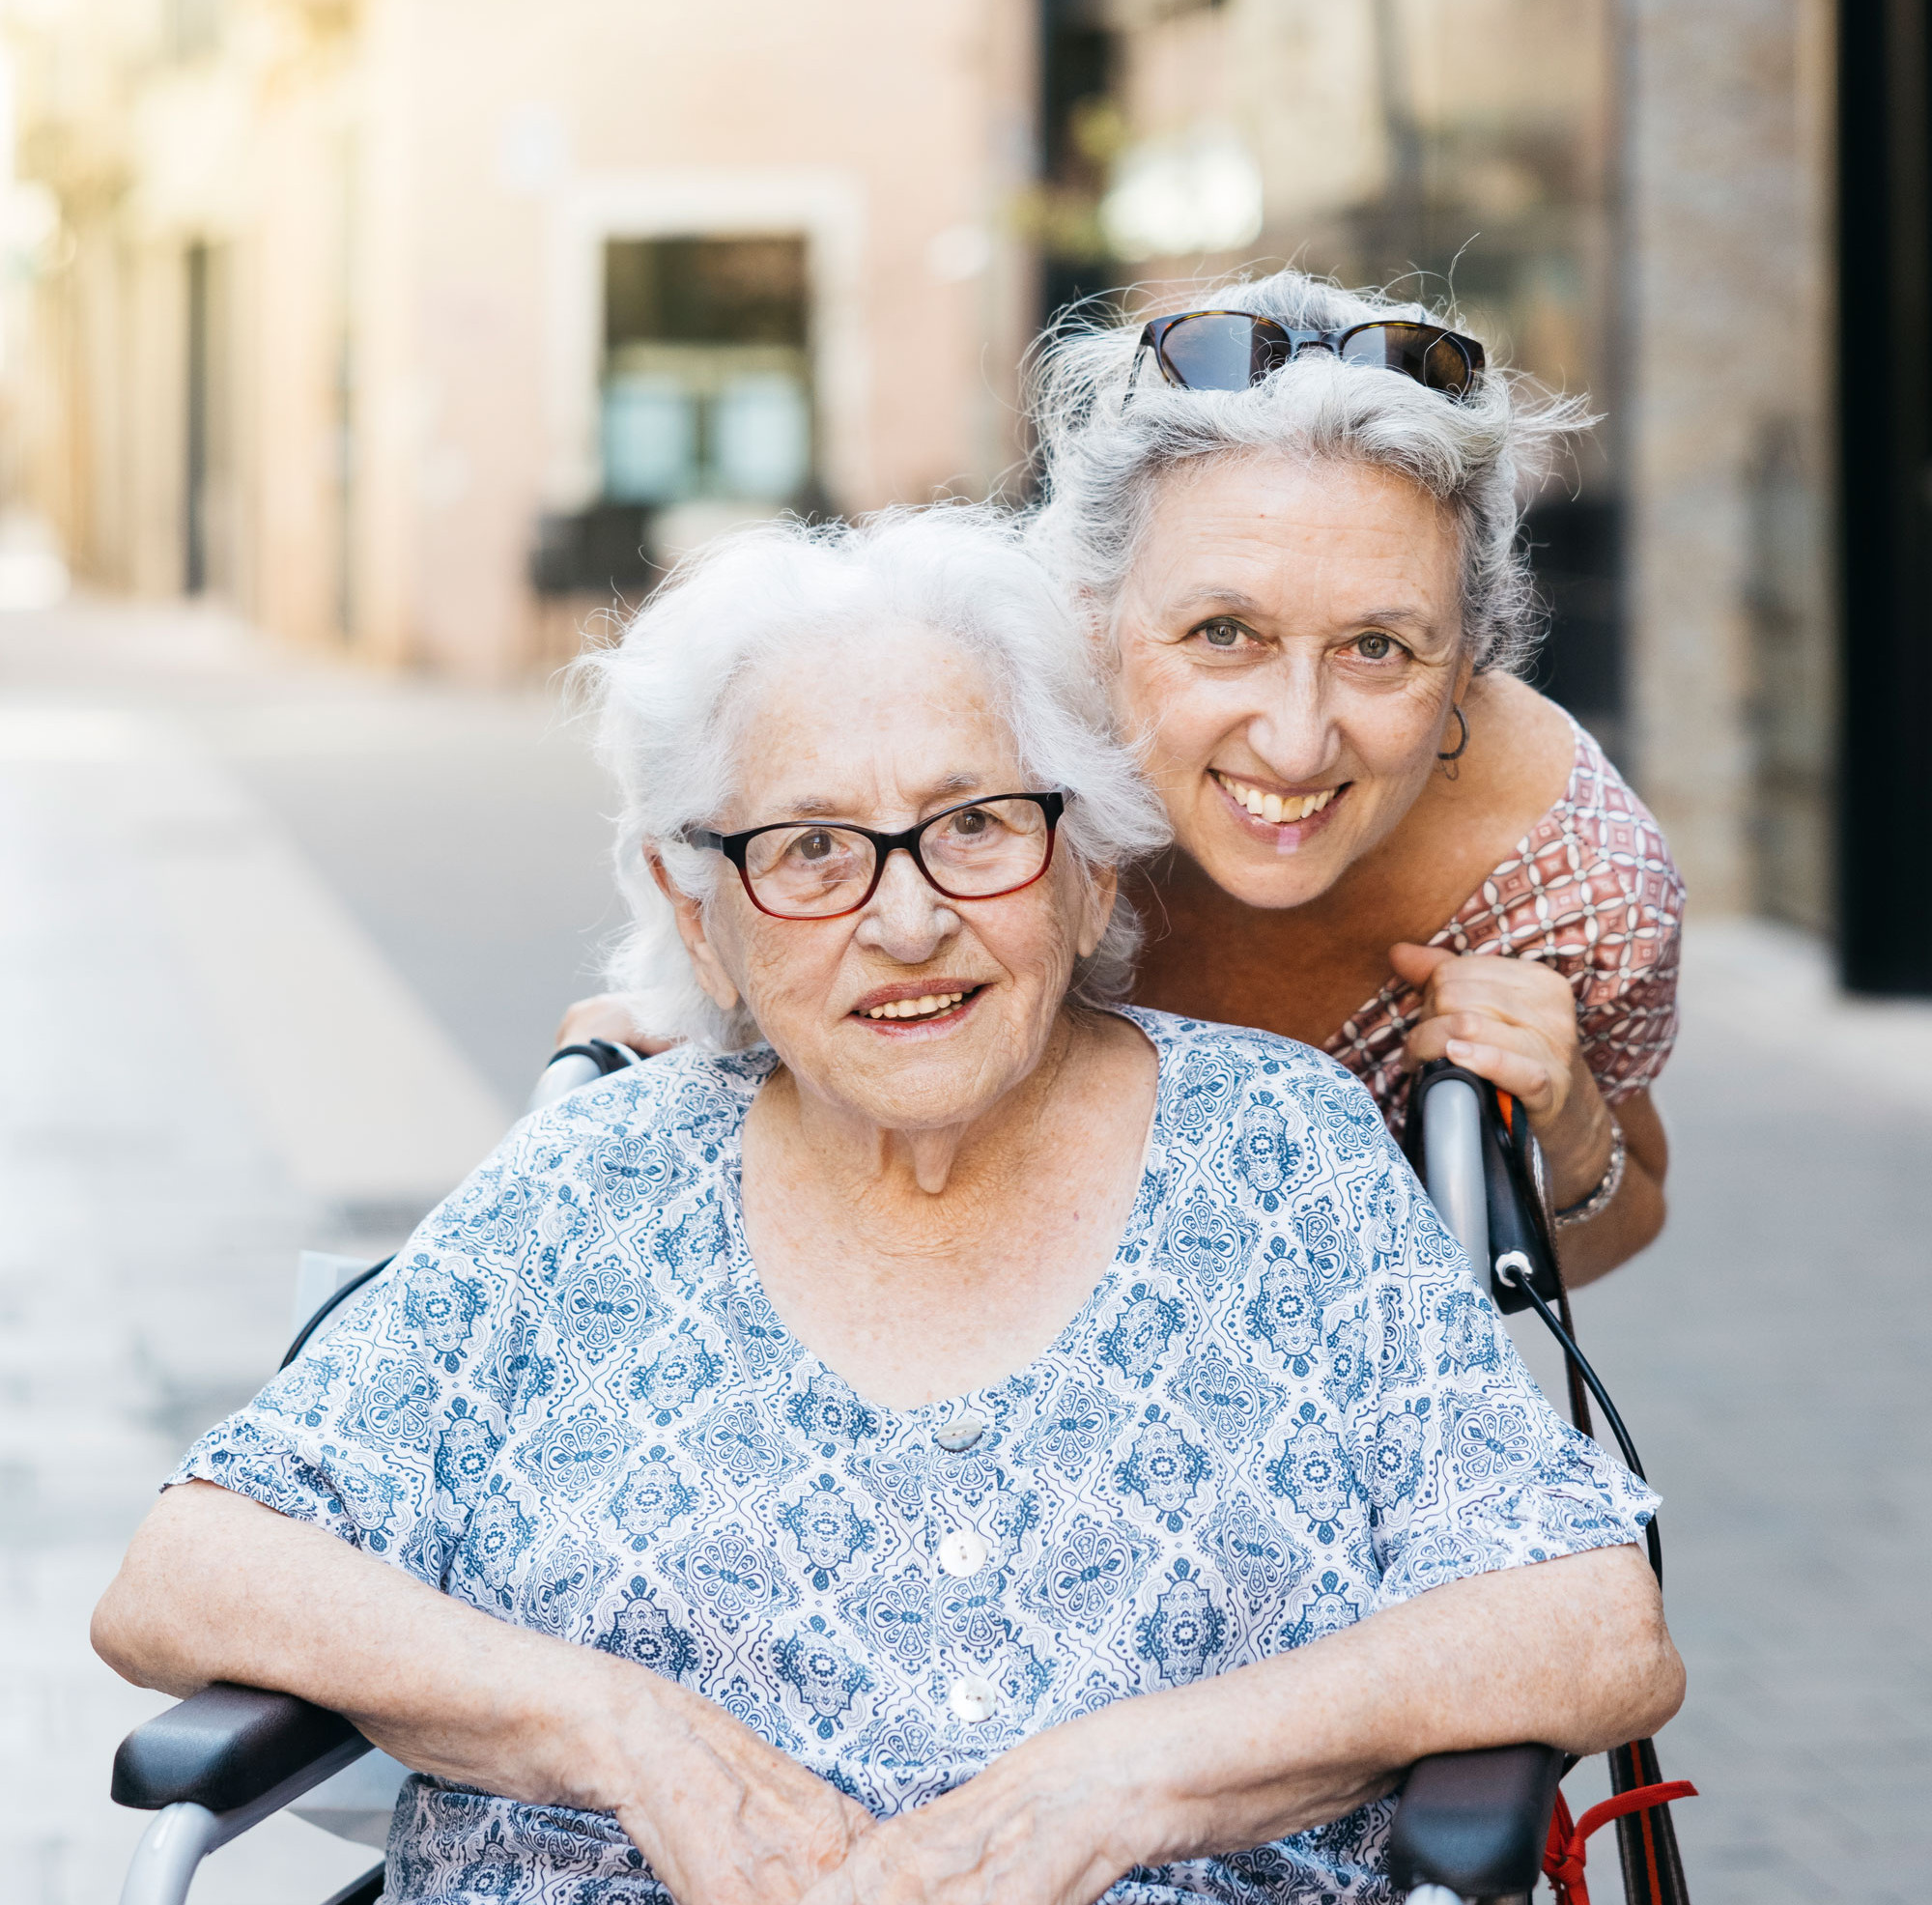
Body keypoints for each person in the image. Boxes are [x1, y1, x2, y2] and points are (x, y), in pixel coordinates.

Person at [95, 512, 1681, 1905]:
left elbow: (1592, 1626)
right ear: (698, 917)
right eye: (809, 851)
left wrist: (1123, 1781)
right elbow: (187, 1576)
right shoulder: (591, 1188)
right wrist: (627, 1735)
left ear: (1091, 865)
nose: (907, 919)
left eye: (977, 823)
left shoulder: (1283, 1158)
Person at [560, 273, 1683, 1288]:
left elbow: (1616, 1219)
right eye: (1221, 631)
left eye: (1378, 647)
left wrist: (1570, 1125)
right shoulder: (997, 731)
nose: (1295, 743)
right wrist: (708, 1031)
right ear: (1089, 607)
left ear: (1469, 660)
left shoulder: (1574, 881)